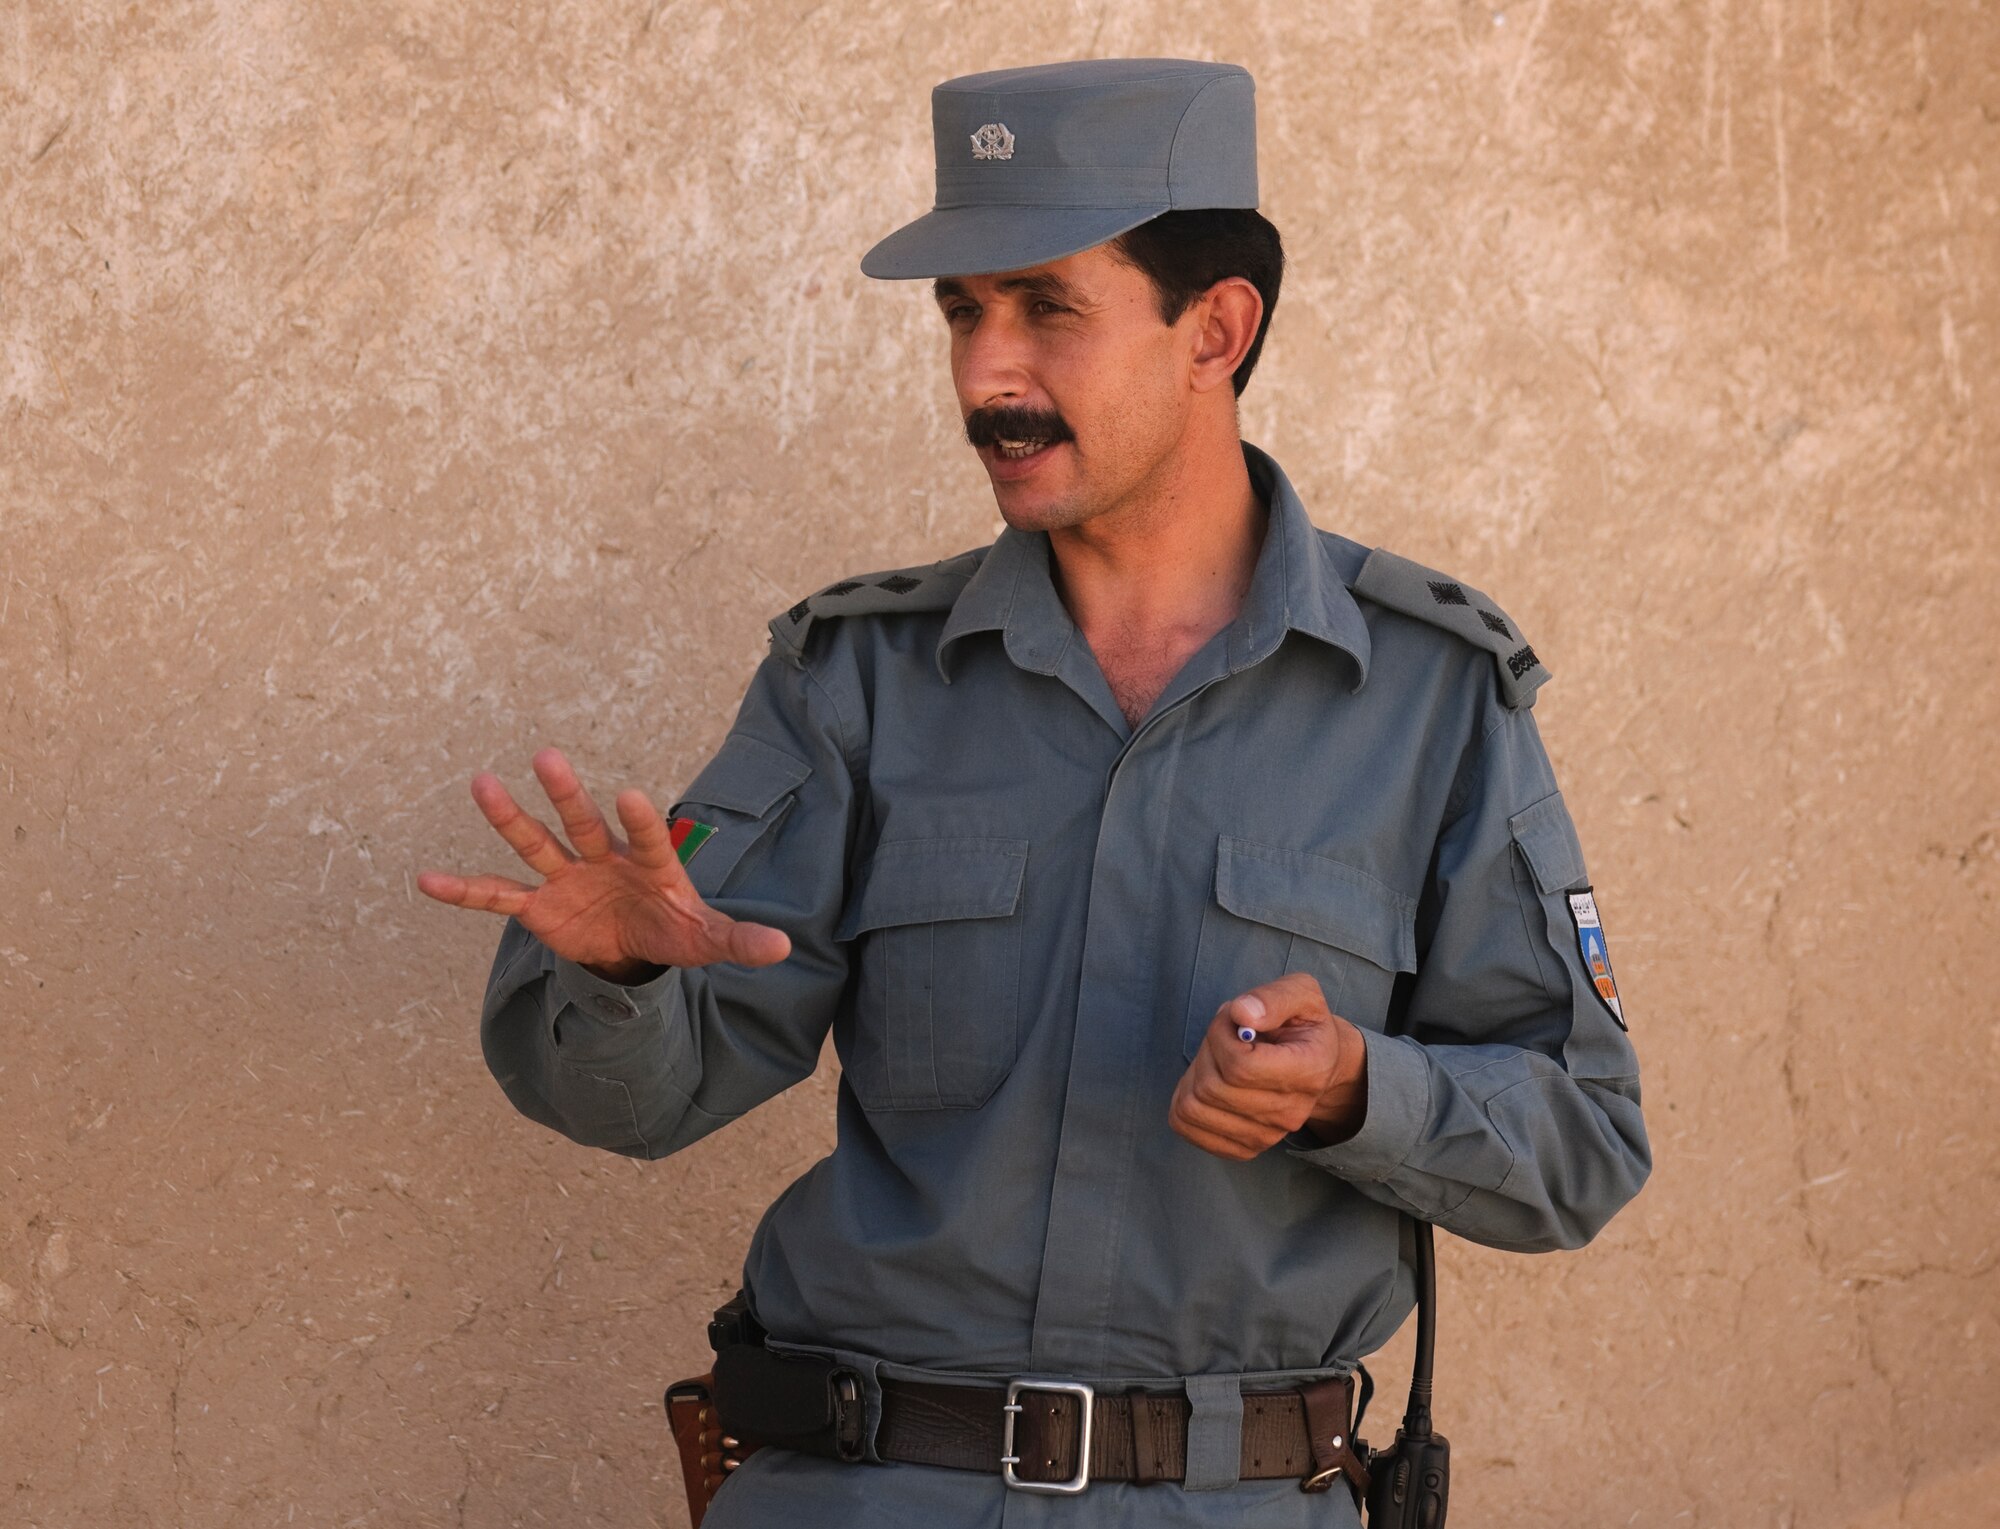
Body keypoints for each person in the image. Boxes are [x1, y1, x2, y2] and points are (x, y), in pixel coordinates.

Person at [419, 57, 1649, 1528]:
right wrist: (615, 977)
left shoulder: (1433, 697)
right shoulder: (856, 681)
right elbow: (635, 1102)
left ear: (1218, 327)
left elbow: (1583, 1144)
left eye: (1046, 307)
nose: (984, 373)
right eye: (961, 311)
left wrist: (1356, 1092)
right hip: (869, 1494)